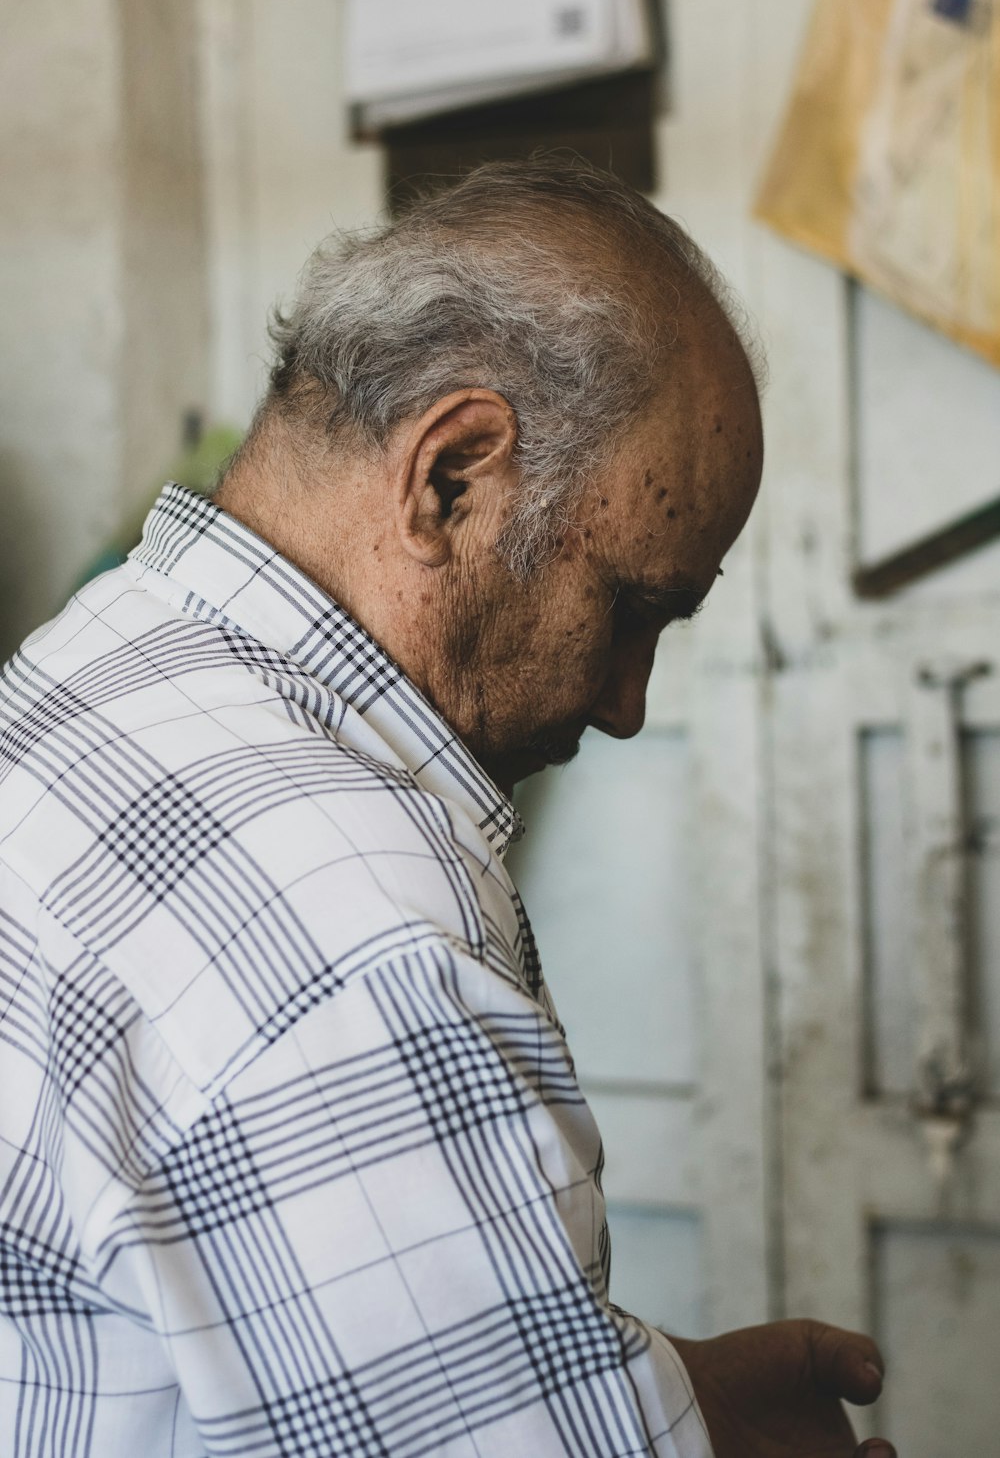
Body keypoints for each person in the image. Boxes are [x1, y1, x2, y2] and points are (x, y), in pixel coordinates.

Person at [0, 158, 896, 1458]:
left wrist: (641, 1400)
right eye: (634, 609)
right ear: (453, 477)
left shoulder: (102, 663)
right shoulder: (363, 941)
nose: (630, 702)